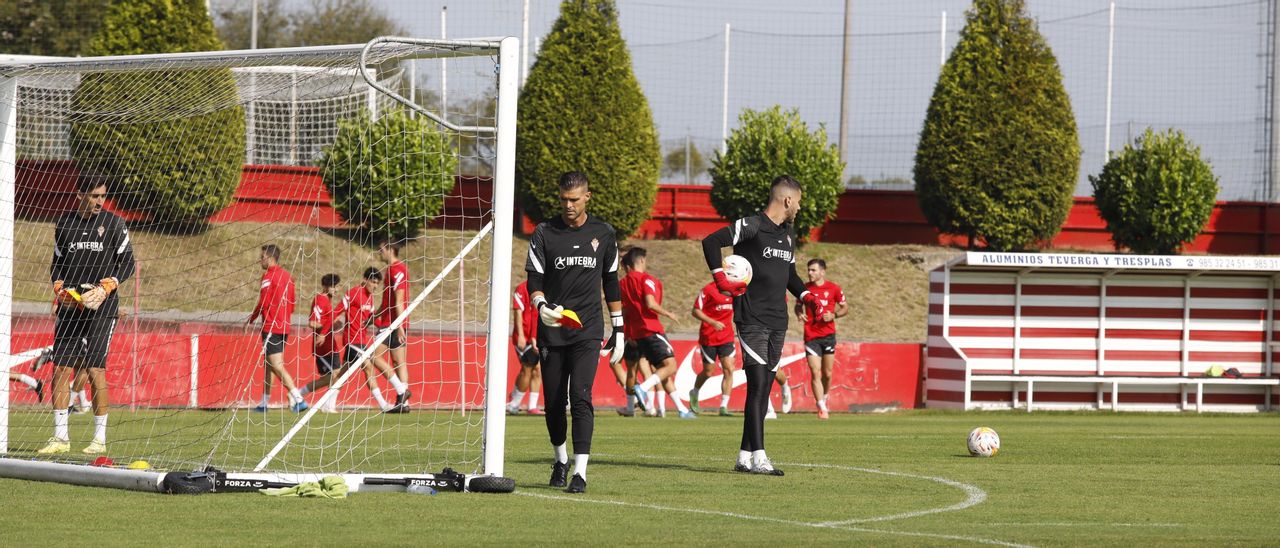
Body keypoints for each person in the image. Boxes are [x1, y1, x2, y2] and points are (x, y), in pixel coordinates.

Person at [700, 175, 816, 476]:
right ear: (787, 200)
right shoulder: (751, 225)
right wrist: (719, 277)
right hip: (752, 318)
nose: (800, 207)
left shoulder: (788, 233)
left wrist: (804, 294)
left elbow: (789, 274)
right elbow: (711, 242)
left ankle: (743, 455)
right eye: (799, 201)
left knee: (763, 389)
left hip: (779, 319)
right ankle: (760, 457)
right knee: (759, 384)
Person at [525, 171, 624, 494]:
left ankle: (580, 472)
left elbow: (611, 282)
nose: (568, 205)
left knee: (581, 396)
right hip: (551, 329)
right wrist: (541, 307)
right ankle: (561, 459)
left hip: (589, 330)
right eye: (563, 200)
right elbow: (534, 283)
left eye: (574, 199)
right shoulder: (543, 233)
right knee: (554, 403)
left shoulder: (604, 234)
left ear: (587, 197)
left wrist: (619, 328)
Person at [38, 179, 135, 455]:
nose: (99, 202)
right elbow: (57, 264)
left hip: (102, 307)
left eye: (102, 196)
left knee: (95, 370)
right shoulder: (64, 225)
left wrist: (109, 285)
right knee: (60, 369)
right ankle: (60, 438)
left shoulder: (114, 224)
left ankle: (99, 440)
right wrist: (58, 288)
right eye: (93, 196)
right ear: (79, 194)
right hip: (71, 306)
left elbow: (128, 262)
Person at [624, 247, 694, 419]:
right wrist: (668, 313)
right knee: (671, 366)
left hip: (637, 333)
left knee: (662, 371)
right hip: (651, 329)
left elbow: (624, 311)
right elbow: (650, 303)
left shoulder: (622, 283)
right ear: (640, 261)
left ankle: (681, 409)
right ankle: (644, 388)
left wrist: (627, 333)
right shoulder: (646, 279)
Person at [245, 244, 307, 413]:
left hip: (271, 327)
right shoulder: (288, 277)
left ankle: (298, 399)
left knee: (277, 366)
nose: (260, 260)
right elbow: (292, 304)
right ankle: (263, 403)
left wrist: (251, 319)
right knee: (269, 365)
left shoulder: (268, 277)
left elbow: (263, 302)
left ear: (270, 257)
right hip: (284, 327)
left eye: (262, 256)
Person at [333, 267, 399, 411]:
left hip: (361, 340)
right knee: (369, 367)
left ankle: (328, 403)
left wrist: (385, 328)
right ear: (365, 280)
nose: (375, 286)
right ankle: (383, 404)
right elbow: (337, 310)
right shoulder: (353, 293)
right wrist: (325, 331)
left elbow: (372, 317)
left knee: (343, 372)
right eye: (373, 282)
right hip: (352, 339)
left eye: (377, 283)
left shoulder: (370, 297)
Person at [794, 258, 848, 420]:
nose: (810, 273)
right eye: (809, 270)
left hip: (828, 335)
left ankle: (824, 397)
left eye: (813, 270)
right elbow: (798, 305)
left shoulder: (834, 288)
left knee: (827, 373)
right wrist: (799, 312)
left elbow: (845, 307)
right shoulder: (804, 288)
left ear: (822, 272)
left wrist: (834, 315)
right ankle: (821, 406)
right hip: (811, 336)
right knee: (815, 371)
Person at [372, 240, 412, 413]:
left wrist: (400, 326)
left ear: (390, 250)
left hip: (393, 324)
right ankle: (403, 402)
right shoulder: (390, 270)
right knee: (398, 362)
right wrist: (374, 316)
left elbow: (399, 301)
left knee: (372, 356)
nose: (379, 252)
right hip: (389, 321)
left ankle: (402, 392)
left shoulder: (398, 270)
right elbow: (386, 302)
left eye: (381, 249)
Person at [298, 274, 343, 413]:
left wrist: (335, 325)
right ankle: (301, 395)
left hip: (331, 345)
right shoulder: (320, 300)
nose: (335, 289)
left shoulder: (328, 301)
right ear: (325, 287)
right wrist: (326, 330)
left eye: (337, 286)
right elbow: (312, 322)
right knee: (336, 375)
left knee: (333, 377)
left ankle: (326, 404)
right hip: (322, 346)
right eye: (333, 286)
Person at [690, 281, 735, 416]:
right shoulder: (708, 290)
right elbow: (695, 311)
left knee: (729, 369)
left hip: (727, 337)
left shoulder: (736, 290)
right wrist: (712, 322)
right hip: (709, 336)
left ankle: (723, 406)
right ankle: (695, 392)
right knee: (709, 371)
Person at [507, 279, 544, 415]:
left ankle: (532, 406)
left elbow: (537, 316)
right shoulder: (521, 289)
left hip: (534, 337)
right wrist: (521, 335)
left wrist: (535, 337)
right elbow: (517, 312)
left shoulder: (542, 289)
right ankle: (514, 403)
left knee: (538, 370)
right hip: (522, 337)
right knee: (527, 369)